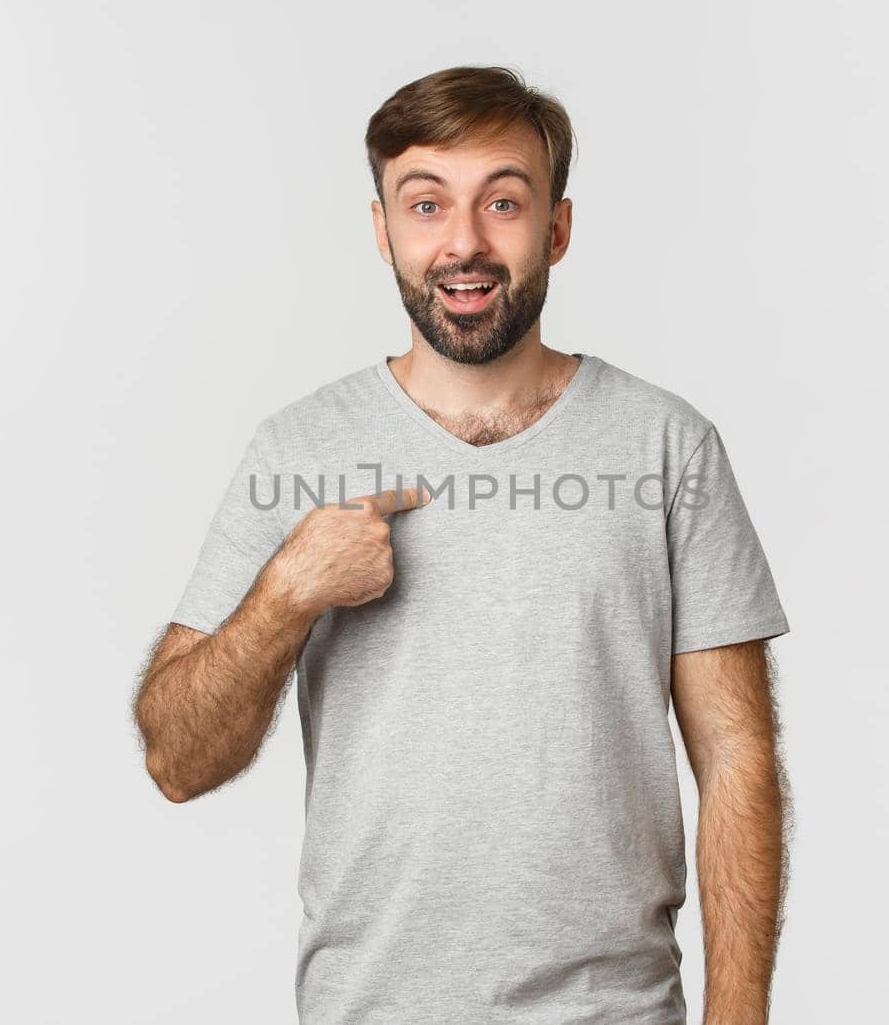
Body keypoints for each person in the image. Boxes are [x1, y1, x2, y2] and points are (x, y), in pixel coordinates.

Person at [133, 65, 792, 1025]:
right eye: (427, 203)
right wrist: (288, 593)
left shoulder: (665, 445)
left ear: (557, 228)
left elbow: (737, 760)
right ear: (383, 231)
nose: (465, 242)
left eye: (504, 202)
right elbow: (176, 762)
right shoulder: (299, 450)